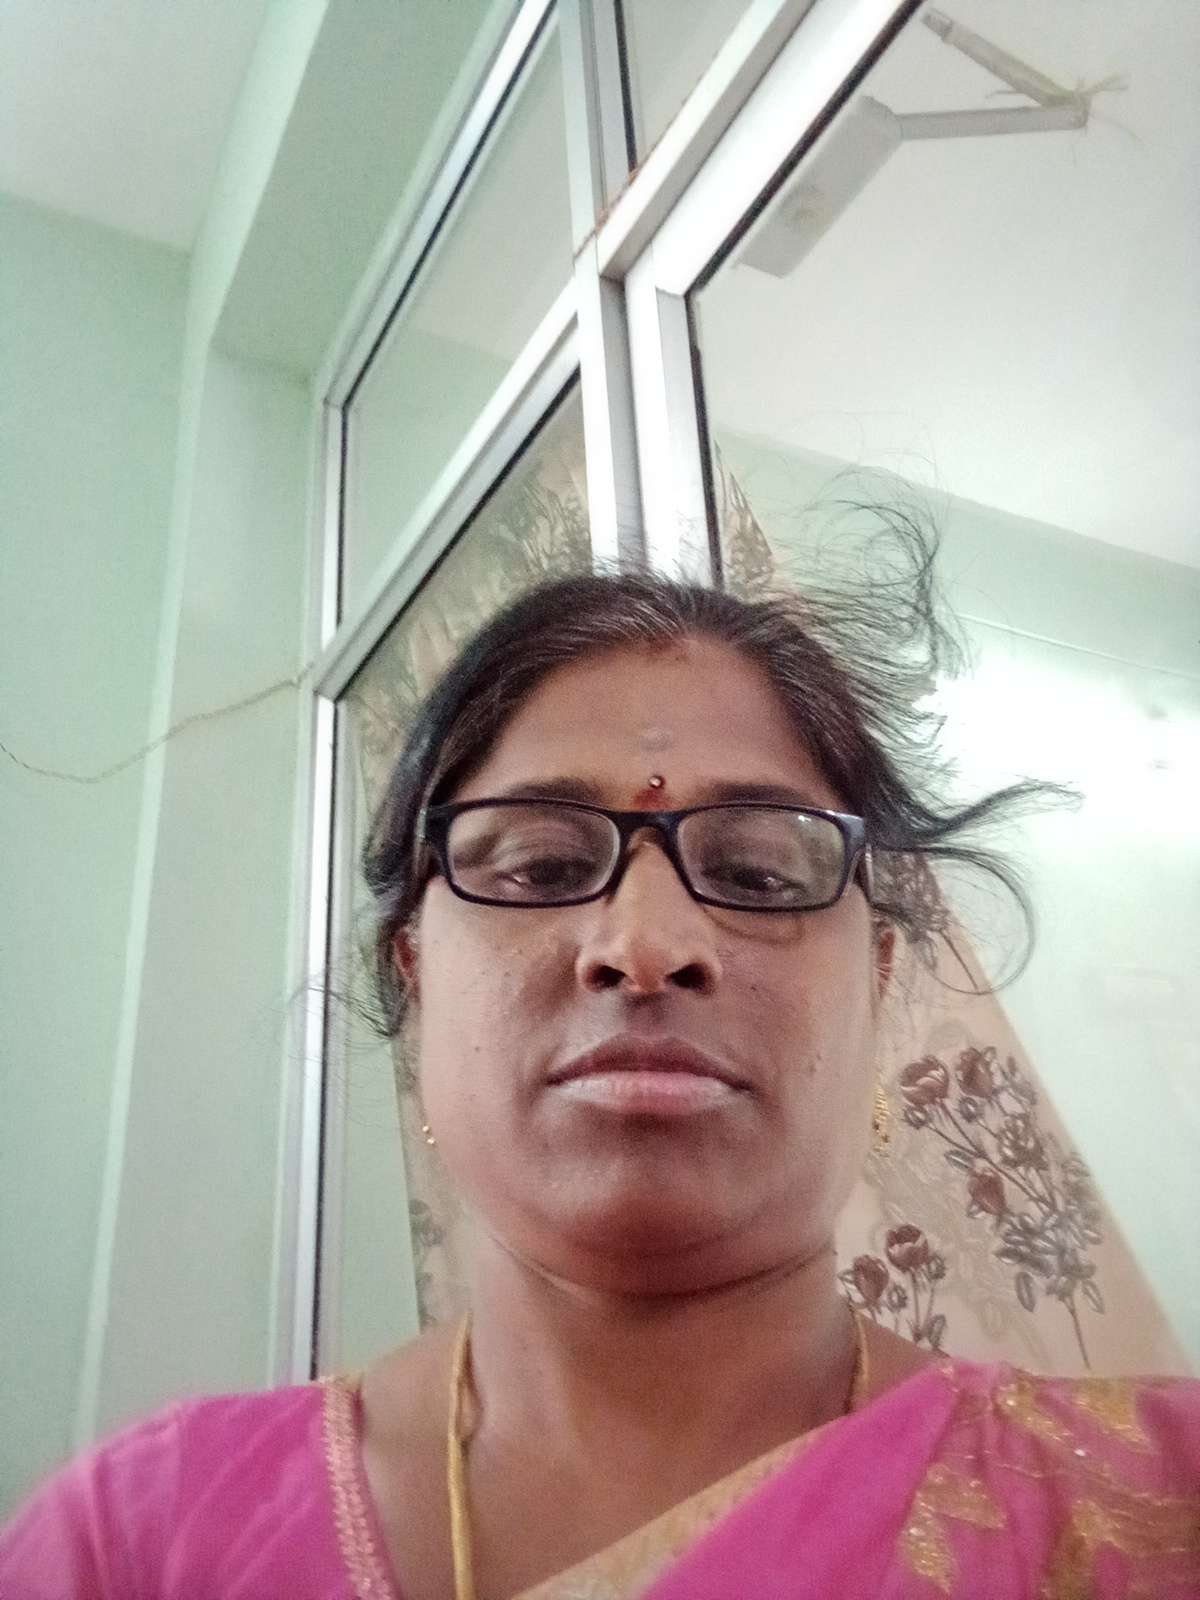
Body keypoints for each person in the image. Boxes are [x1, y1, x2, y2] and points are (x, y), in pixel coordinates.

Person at [3, 559, 1198, 1599]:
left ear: (879, 983)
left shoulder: (1156, 1512)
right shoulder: (140, 1543)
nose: (645, 943)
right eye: (536, 866)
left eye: (760, 874)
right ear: (414, 971)